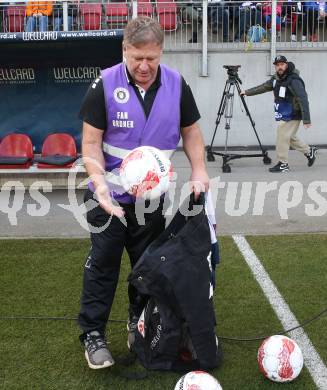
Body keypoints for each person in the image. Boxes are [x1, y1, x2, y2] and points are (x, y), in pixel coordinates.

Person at [78, 16, 209, 369]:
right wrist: (99, 183)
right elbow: (90, 143)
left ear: (161, 52)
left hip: (150, 201)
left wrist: (199, 170)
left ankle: (138, 324)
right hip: (107, 198)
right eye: (136, 57)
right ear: (124, 50)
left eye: (151, 58)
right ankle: (93, 335)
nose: (144, 66)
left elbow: (192, 132)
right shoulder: (104, 84)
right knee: (102, 265)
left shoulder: (176, 84)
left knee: (148, 267)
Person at [241, 55, 317, 172]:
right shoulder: (276, 79)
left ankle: (283, 163)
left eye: (282, 64)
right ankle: (309, 151)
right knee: (289, 137)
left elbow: (303, 98)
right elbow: (264, 87)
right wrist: (247, 92)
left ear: (286, 65)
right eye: (277, 65)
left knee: (282, 134)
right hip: (283, 112)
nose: (279, 67)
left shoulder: (294, 80)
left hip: (293, 113)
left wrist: (307, 119)